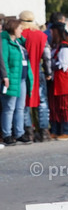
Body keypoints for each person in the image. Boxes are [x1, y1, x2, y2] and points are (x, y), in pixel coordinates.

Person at [19, 11, 50, 141]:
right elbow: (47, 56)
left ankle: (29, 132)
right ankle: (44, 132)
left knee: (24, 102)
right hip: (38, 70)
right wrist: (48, 72)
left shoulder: (19, 35)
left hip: (23, 71)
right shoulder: (41, 35)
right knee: (42, 102)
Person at [1, 17, 33, 145]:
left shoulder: (19, 42)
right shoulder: (4, 42)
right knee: (9, 107)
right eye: (20, 28)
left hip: (21, 77)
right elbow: (3, 60)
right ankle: (7, 134)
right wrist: (5, 76)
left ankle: (19, 133)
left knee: (20, 107)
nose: (22, 31)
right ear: (13, 29)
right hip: (11, 78)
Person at [49, 22, 68, 140]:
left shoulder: (65, 46)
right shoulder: (59, 45)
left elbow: (63, 64)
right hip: (58, 81)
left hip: (64, 81)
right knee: (56, 106)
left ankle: (67, 131)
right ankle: (57, 130)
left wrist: (51, 64)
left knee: (64, 107)